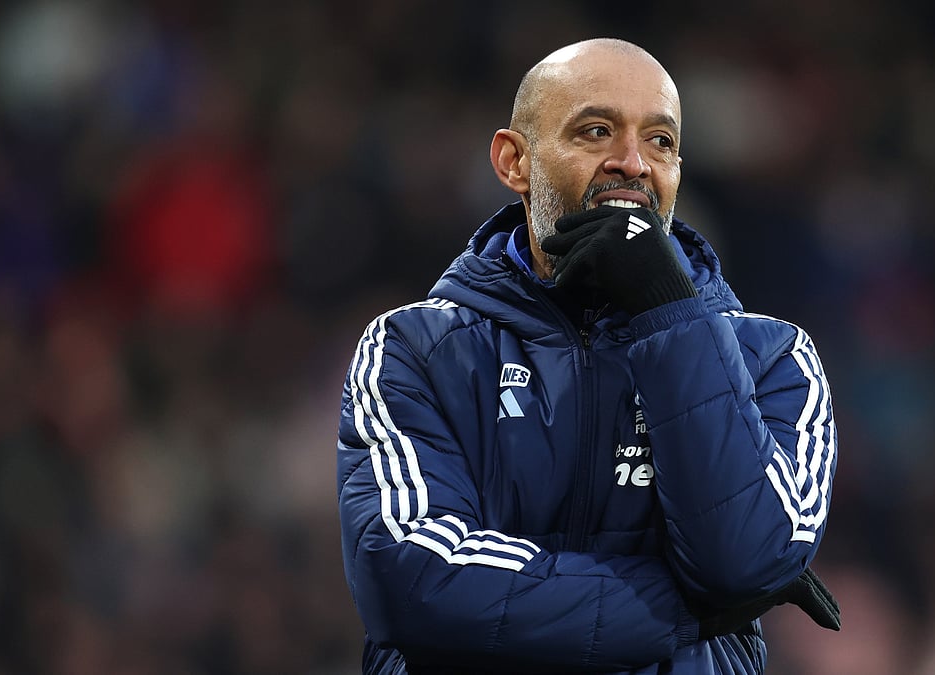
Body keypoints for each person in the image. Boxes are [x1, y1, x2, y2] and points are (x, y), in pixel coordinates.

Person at [336, 37, 839, 674]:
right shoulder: (416, 351)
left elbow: (741, 558)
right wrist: (697, 610)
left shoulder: (773, 359)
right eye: (596, 131)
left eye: (660, 141)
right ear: (514, 162)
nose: (632, 163)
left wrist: (668, 309)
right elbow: (413, 586)